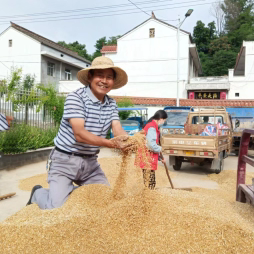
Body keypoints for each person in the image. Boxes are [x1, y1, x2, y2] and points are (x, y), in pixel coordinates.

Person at [27, 56, 132, 209]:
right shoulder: (76, 98)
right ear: (90, 77)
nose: (104, 80)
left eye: (109, 77)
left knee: (105, 199)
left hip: (90, 164)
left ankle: (68, 191)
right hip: (64, 160)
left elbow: (116, 127)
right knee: (55, 207)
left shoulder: (111, 103)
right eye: (100, 75)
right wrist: (110, 144)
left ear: (113, 82)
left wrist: (126, 140)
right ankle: (38, 193)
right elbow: (79, 134)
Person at [138, 110, 167, 190]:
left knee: (149, 181)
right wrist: (161, 149)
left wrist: (160, 158)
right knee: (150, 182)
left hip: (147, 157)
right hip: (147, 158)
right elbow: (151, 145)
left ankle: (148, 195)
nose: (163, 122)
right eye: (164, 120)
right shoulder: (152, 128)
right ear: (160, 119)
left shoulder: (150, 125)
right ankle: (148, 198)